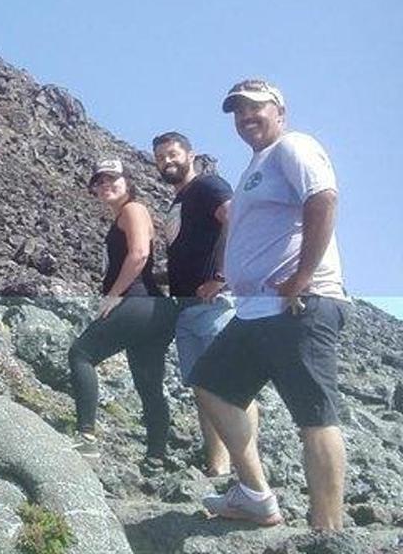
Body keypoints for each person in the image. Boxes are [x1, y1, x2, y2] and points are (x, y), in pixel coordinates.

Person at [192, 79, 350, 529]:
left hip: (301, 305)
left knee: (314, 417)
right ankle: (256, 495)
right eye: (238, 111)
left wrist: (302, 277)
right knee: (212, 385)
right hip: (257, 310)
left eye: (255, 107)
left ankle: (327, 531)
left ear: (279, 109)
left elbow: (323, 199)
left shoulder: (293, 146)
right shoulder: (256, 168)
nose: (246, 117)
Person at [152, 130, 257, 477]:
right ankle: (219, 466)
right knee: (204, 390)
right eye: (160, 157)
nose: (167, 161)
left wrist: (223, 275)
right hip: (186, 309)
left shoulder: (207, 186)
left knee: (231, 385)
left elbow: (235, 218)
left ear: (190, 154)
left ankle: (248, 473)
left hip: (215, 306)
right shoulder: (177, 203)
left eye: (172, 154)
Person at [68, 159, 179, 468]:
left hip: (138, 302)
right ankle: (157, 455)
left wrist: (113, 296)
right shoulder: (125, 214)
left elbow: (140, 253)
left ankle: (86, 437)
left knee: (81, 354)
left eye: (112, 179)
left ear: (127, 181)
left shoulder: (133, 209)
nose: (105, 185)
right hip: (154, 311)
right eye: (99, 181)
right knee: (148, 383)